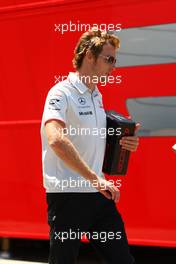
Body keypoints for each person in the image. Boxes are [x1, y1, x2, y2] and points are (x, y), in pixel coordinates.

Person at [40, 27, 139, 264]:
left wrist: (123, 140)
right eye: (109, 59)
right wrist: (95, 179)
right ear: (89, 56)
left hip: (98, 197)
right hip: (67, 198)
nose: (114, 66)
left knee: (123, 260)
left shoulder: (97, 96)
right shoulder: (61, 92)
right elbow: (56, 139)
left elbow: (90, 139)